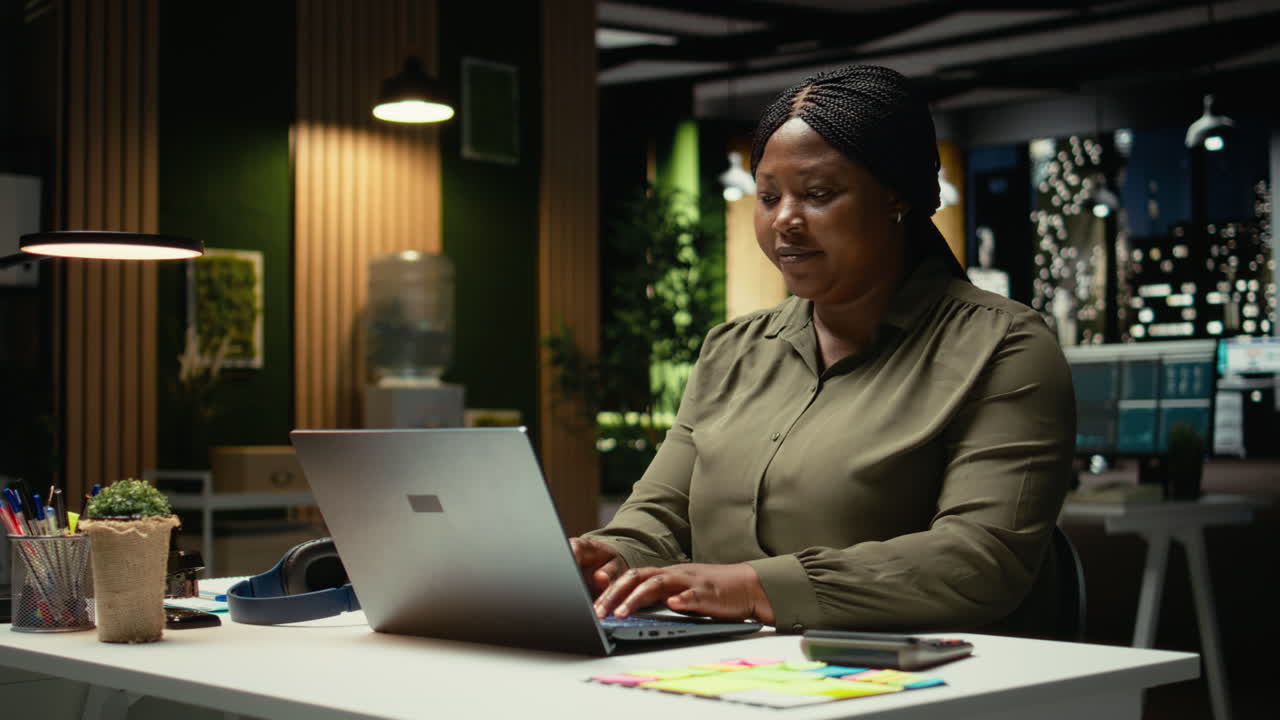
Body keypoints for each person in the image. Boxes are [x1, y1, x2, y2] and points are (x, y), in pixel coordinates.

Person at [572, 65, 1075, 636]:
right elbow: (660, 515)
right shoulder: (732, 350)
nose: (784, 219)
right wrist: (613, 556)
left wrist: (756, 588)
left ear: (896, 197)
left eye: (817, 194)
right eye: (767, 196)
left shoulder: (1005, 346)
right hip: (727, 670)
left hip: (915, 679)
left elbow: (981, 561)